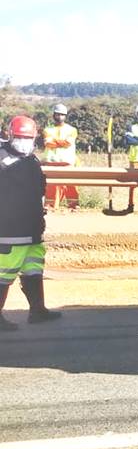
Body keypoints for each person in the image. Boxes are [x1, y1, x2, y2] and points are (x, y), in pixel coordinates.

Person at [0, 116, 63, 330]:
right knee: (4, 274)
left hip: (32, 228)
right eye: (20, 137)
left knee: (34, 268)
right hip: (9, 230)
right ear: (10, 135)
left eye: (28, 138)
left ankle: (38, 310)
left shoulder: (31, 159)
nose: (24, 141)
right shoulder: (2, 158)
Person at [42, 104, 80, 210]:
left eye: (62, 115)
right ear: (54, 115)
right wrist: (62, 142)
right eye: (57, 114)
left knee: (71, 185)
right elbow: (48, 143)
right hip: (51, 161)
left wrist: (55, 141)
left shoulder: (72, 130)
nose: (59, 117)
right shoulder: (47, 130)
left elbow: (68, 143)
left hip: (67, 161)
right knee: (51, 186)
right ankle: (50, 205)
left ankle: (74, 205)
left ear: (65, 116)